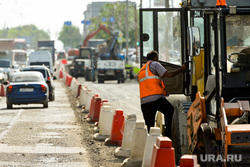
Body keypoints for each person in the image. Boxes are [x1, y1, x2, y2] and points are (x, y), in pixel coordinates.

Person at [138, 50, 187, 138]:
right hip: (156, 99)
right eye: (157, 58)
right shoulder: (155, 64)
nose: (158, 60)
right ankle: (168, 136)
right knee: (170, 110)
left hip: (144, 102)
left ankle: (151, 145)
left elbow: (150, 84)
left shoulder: (142, 69)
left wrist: (164, 92)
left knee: (150, 127)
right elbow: (168, 75)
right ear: (154, 58)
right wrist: (181, 70)